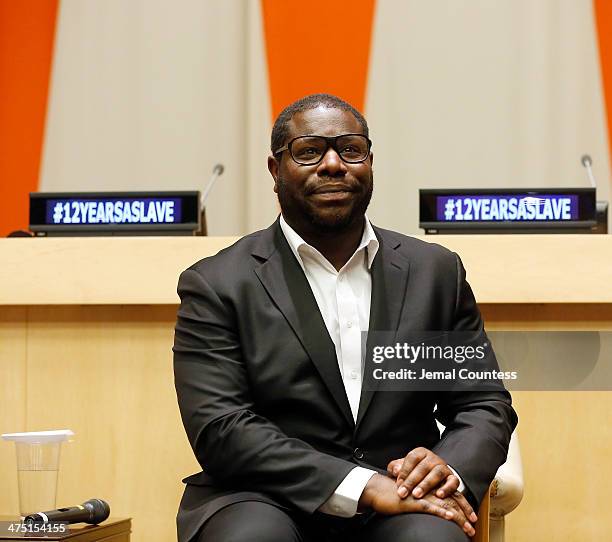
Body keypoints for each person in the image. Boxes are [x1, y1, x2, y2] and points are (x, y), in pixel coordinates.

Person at [173, 93, 517, 542]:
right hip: (262, 496)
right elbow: (222, 427)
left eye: (351, 149)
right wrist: (364, 486)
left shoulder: (433, 272)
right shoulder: (218, 283)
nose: (333, 164)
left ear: (370, 163)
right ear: (275, 170)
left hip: (403, 496)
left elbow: (482, 403)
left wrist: (444, 466)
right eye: (309, 151)